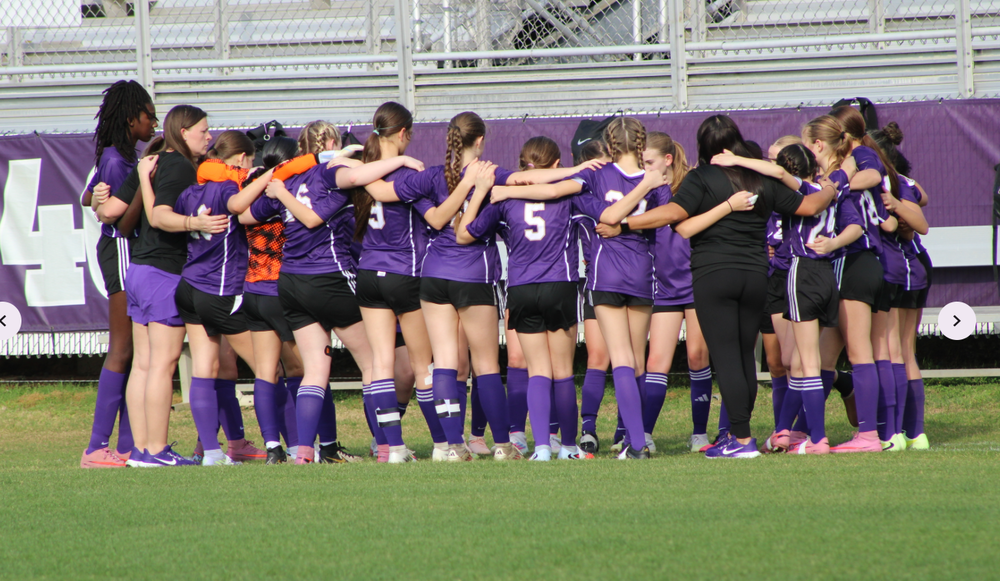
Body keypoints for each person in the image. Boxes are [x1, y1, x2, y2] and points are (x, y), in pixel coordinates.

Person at [596, 114, 837, 459]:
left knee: (725, 358)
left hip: (714, 275)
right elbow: (810, 205)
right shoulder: (760, 179)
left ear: (704, 146)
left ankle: (741, 440)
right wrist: (832, 185)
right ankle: (738, 435)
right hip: (755, 275)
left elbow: (671, 216)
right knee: (743, 358)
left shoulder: (702, 178)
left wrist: (625, 225)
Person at [365, 111, 601, 460]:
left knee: (444, 362)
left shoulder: (429, 176)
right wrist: (572, 171)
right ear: (480, 141)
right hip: (474, 276)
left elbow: (381, 190)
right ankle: (504, 445)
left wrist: (380, 161)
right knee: (486, 364)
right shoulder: (492, 174)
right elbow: (532, 181)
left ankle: (448, 445)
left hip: (433, 276)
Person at [492, 117, 669, 459]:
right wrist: (646, 190)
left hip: (606, 275)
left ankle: (630, 443)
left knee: (618, 360)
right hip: (642, 273)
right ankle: (638, 440)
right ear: (639, 144)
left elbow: (555, 190)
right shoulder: (655, 179)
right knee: (637, 363)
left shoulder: (597, 174)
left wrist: (508, 190)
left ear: (610, 144)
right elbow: (664, 218)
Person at [247, 141, 423, 465]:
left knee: (315, 370)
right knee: (374, 363)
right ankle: (386, 448)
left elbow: (245, 214)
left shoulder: (290, 181)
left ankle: (303, 454)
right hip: (329, 278)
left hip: (290, 281)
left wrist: (272, 187)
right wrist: (399, 159)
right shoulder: (329, 173)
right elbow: (354, 180)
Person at [458, 136, 589, 460]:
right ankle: (568, 446)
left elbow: (468, 232)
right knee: (563, 372)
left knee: (538, 371)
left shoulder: (503, 200)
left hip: (522, 288)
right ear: (556, 165)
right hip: (560, 284)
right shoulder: (569, 194)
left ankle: (542, 447)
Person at [353, 102, 464, 462]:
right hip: (405, 275)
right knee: (422, 368)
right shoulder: (409, 173)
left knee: (382, 364)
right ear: (403, 134)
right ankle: (443, 444)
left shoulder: (360, 171)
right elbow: (434, 220)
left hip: (369, 275)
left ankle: (392, 448)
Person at [124, 105, 226, 467]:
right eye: (203, 130)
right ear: (183, 131)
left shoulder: (155, 160)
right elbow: (160, 216)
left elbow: (112, 213)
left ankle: (140, 450)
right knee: (163, 365)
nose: (209, 136)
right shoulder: (181, 166)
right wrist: (193, 223)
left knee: (144, 364)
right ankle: (156, 450)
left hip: (138, 270)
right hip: (162, 274)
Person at [168, 130, 274, 465]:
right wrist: (268, 176)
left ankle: (212, 453)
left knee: (205, 368)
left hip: (190, 287)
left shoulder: (190, 192)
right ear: (242, 158)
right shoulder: (229, 186)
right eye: (252, 160)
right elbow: (237, 205)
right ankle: (295, 446)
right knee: (268, 369)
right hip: (220, 290)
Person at [80, 80, 157, 468]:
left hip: (127, 251)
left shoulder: (119, 154)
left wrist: (95, 199)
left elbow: (87, 193)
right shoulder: (117, 158)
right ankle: (96, 447)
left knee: (139, 353)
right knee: (124, 348)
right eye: (148, 116)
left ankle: (127, 446)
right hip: (122, 250)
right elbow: (123, 222)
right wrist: (143, 186)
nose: (155, 122)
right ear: (131, 119)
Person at [824, 106, 900, 452]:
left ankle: (872, 434)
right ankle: (798, 430)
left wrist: (838, 184)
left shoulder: (860, 154)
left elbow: (874, 176)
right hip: (865, 260)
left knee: (864, 353)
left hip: (859, 259)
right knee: (823, 358)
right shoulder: (847, 161)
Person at [238, 137, 316, 463]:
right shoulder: (283, 197)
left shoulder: (252, 192)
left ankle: (272, 447)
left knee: (265, 373)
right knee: (303, 368)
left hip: (253, 290)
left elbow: (240, 214)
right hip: (280, 291)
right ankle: (302, 445)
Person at [641, 132, 714, 453]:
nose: (643, 168)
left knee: (698, 356)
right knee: (656, 360)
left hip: (698, 283)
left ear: (667, 160)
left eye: (648, 162)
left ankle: (700, 433)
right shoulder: (646, 190)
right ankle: (643, 434)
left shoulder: (694, 184)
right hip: (665, 288)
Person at [869, 122, 931, 450]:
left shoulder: (884, 181)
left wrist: (898, 215)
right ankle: (914, 433)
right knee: (905, 351)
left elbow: (918, 223)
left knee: (893, 349)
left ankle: (894, 432)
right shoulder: (903, 179)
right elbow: (924, 195)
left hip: (902, 267)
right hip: (916, 265)